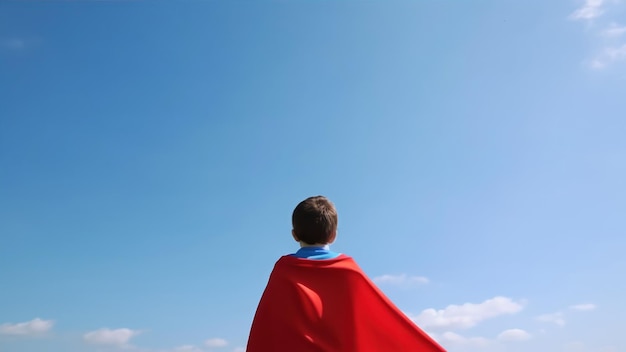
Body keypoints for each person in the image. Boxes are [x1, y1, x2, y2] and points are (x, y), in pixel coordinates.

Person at [246, 196, 446, 352]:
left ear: (294, 234)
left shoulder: (284, 269)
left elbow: (268, 329)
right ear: (333, 235)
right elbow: (376, 319)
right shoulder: (349, 271)